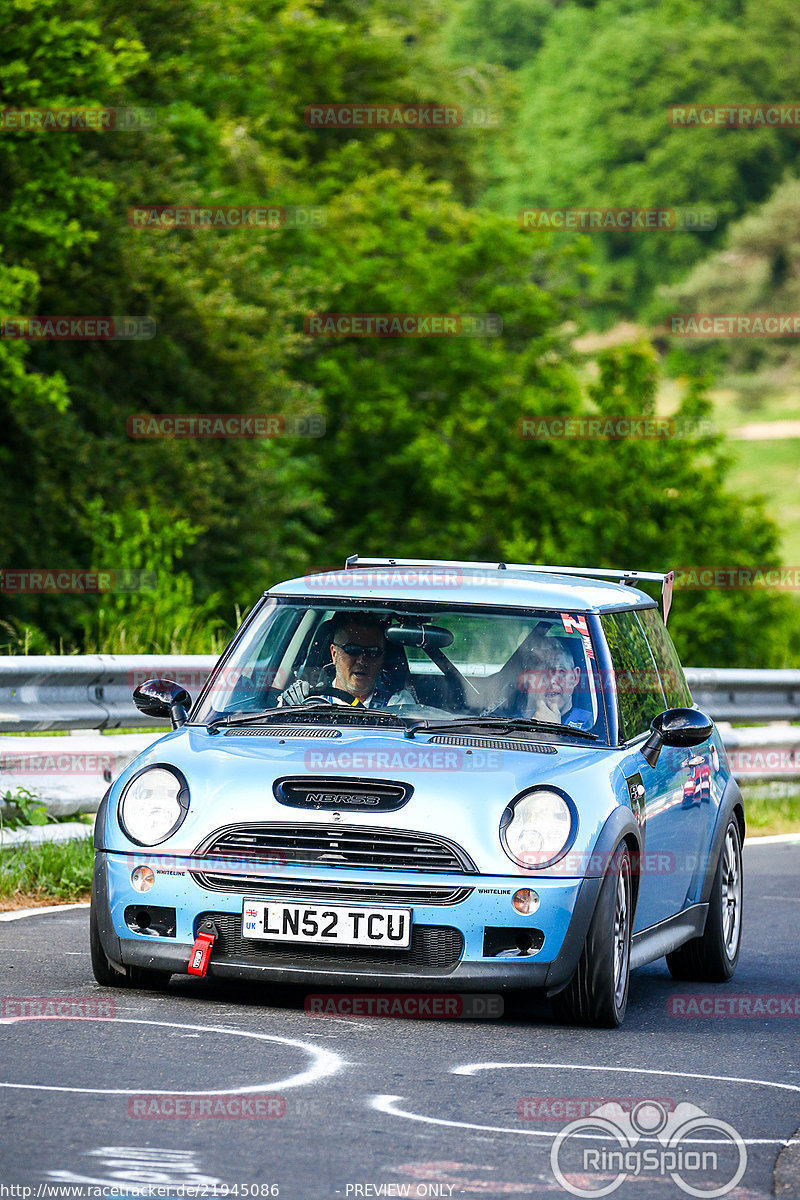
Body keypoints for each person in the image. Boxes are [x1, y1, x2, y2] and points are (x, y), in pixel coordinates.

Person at [279, 614, 417, 708]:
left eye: (373, 652)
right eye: (352, 649)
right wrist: (289, 706)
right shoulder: (307, 700)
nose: (362, 660)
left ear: (382, 658)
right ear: (334, 654)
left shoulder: (397, 704)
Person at [517, 637, 594, 729]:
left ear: (575, 677)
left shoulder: (592, 727)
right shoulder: (514, 721)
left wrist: (553, 731)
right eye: (542, 673)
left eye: (561, 672)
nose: (551, 681)